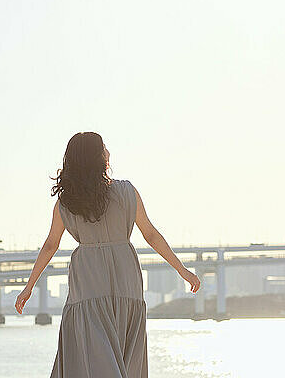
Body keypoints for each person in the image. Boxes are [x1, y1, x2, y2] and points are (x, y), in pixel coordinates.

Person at [14, 131, 201, 378]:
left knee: (92, 354)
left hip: (89, 280)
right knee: (127, 352)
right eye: (104, 148)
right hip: (125, 277)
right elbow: (151, 235)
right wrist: (182, 270)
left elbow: (51, 245)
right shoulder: (126, 192)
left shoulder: (66, 203)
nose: (108, 152)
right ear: (98, 157)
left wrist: (29, 287)